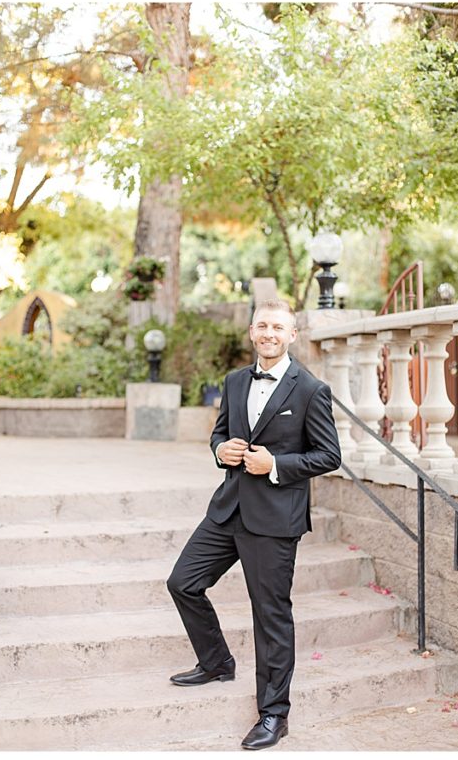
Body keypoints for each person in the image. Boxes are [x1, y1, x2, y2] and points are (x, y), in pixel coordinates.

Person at [166, 299, 341, 750]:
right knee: (183, 582)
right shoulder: (235, 380)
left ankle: (274, 715)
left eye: (278, 327)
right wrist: (219, 450)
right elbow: (220, 432)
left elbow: (329, 455)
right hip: (228, 509)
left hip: (275, 519)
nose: (269, 333)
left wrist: (276, 464)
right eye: (262, 325)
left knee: (271, 617)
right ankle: (217, 662)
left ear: (292, 335)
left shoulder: (311, 390)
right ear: (251, 332)